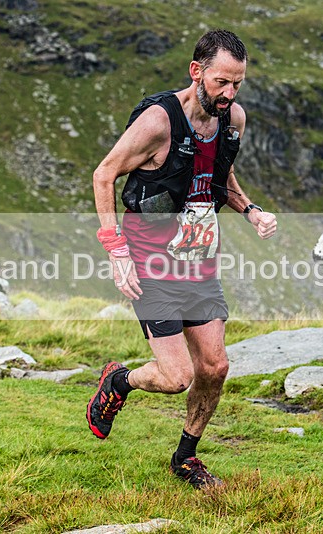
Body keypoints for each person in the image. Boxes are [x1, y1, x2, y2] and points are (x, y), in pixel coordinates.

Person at [87, 29, 277, 490]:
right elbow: (104, 173)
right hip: (149, 258)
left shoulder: (233, 120)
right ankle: (118, 383)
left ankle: (186, 458)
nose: (229, 94)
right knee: (176, 377)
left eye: (237, 84)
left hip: (197, 254)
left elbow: (218, 174)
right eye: (221, 83)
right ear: (197, 73)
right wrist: (116, 253)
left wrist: (249, 210)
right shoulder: (158, 121)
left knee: (215, 368)